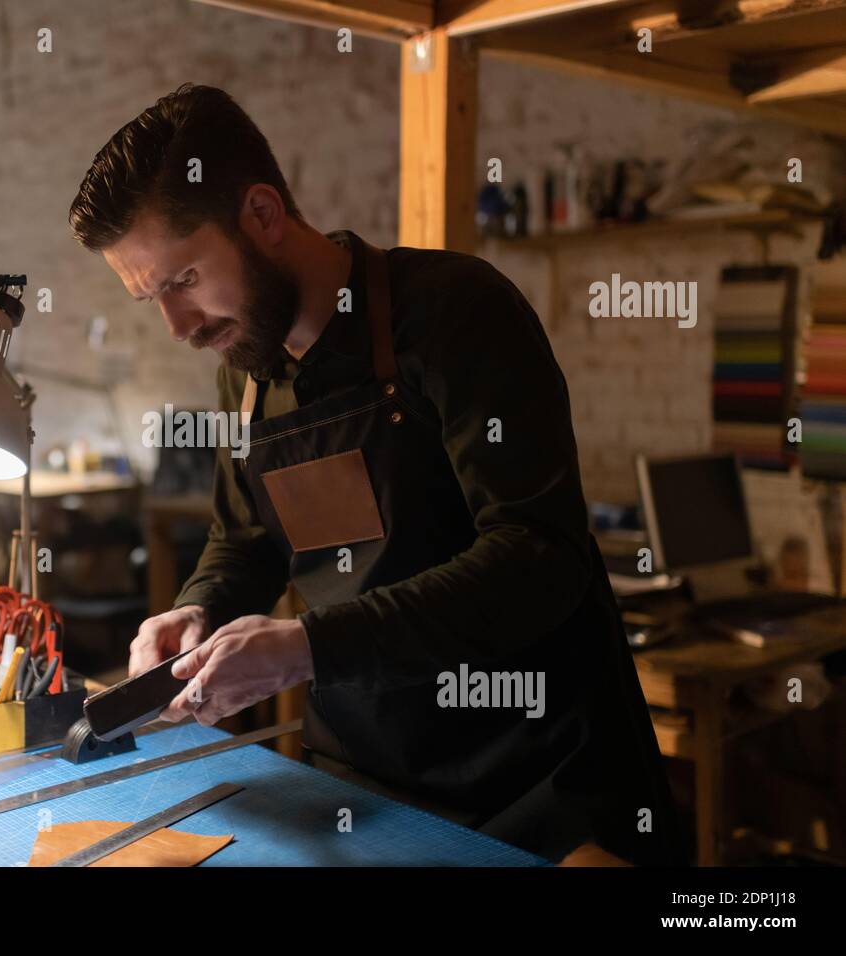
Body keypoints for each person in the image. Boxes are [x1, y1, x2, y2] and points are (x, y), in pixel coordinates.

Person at [68, 84, 683, 865]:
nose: (179, 328)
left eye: (183, 280)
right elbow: (246, 541)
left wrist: (307, 647)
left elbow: (538, 557)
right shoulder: (247, 370)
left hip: (541, 778)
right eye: (151, 298)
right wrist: (198, 607)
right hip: (362, 785)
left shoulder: (456, 310)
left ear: (262, 213)